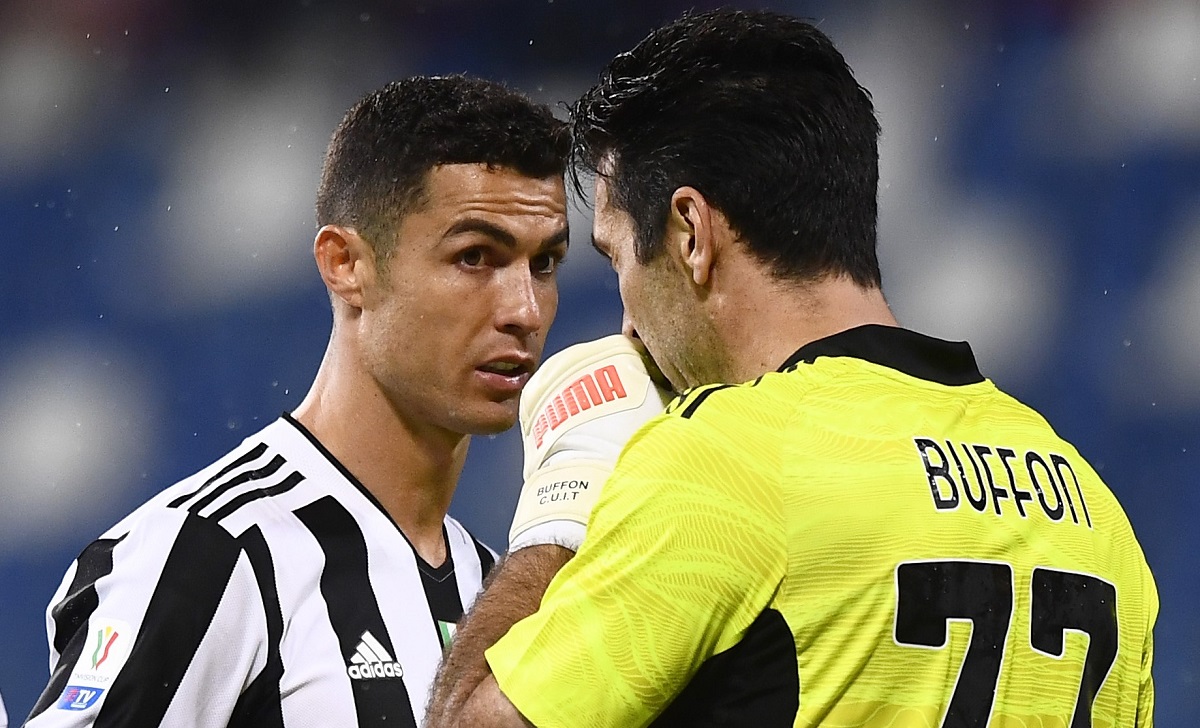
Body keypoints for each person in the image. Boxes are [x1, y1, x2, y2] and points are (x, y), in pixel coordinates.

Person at [424, 8, 1157, 727]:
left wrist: (561, 509)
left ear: (691, 234)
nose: (627, 325)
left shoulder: (728, 459)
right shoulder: (1097, 515)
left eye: (619, 259)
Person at [24, 74, 569, 727]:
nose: (524, 310)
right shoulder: (211, 555)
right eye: (475, 256)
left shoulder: (492, 584)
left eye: (544, 264)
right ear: (346, 264)